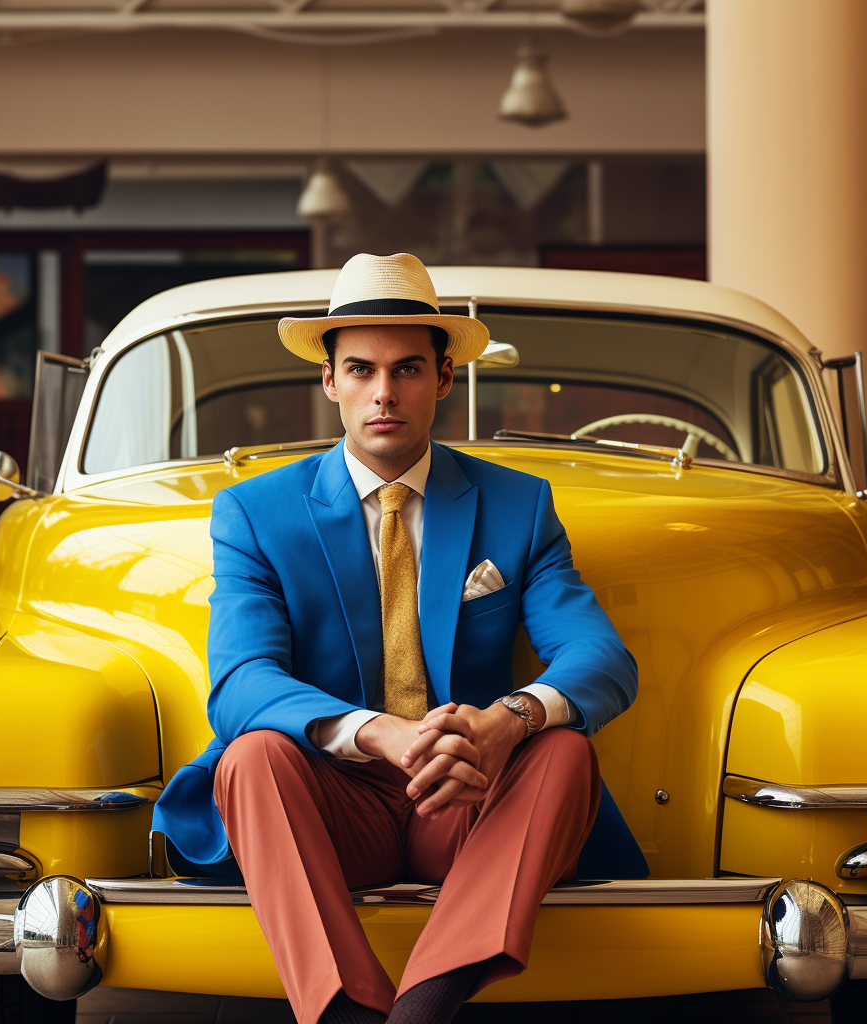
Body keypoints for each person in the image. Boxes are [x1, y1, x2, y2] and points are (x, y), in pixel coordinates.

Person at [153, 252, 638, 1024]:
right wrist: (379, 734)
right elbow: (240, 681)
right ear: (330, 381)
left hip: (465, 800)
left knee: (563, 748)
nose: (384, 393)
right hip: (328, 799)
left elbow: (602, 660)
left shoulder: (519, 506)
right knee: (252, 755)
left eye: (408, 368)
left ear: (444, 379)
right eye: (361, 369)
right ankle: (348, 1009)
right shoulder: (255, 513)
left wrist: (505, 721)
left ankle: (423, 1006)